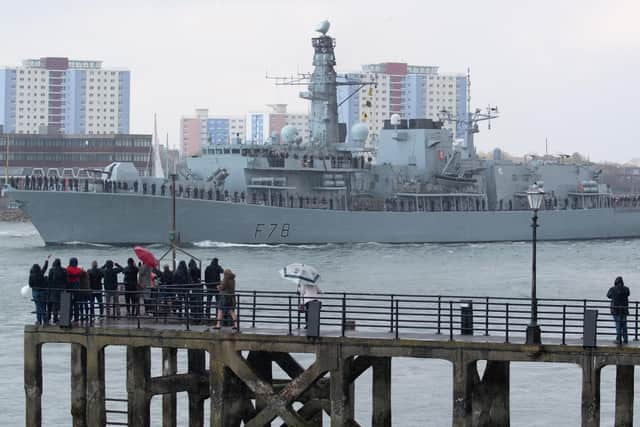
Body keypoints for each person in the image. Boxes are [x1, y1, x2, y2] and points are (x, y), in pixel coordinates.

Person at [607, 276, 630, 345]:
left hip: (615, 309)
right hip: (624, 309)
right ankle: (625, 339)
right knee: (624, 324)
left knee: (618, 324)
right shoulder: (626, 289)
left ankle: (619, 339)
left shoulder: (612, 289)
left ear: (615, 282)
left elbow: (608, 295)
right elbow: (628, 294)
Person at [28, 256, 50, 325]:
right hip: (42, 292)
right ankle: (45, 320)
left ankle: (39, 321)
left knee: (37, 306)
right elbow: (45, 267)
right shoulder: (41, 274)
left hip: (35, 292)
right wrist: (47, 259)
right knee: (43, 306)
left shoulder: (31, 275)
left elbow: (30, 284)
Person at [47, 259, 66, 324]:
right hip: (62, 289)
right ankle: (62, 318)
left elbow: (49, 280)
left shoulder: (51, 270)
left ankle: (55, 318)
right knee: (61, 304)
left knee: (55, 304)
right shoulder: (64, 270)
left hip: (54, 290)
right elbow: (66, 280)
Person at [66, 258, 84, 323]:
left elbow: (68, 271)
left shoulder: (67, 269)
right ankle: (76, 318)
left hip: (69, 287)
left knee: (69, 303)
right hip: (76, 287)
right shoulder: (79, 270)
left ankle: (69, 317)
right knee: (76, 303)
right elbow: (80, 272)